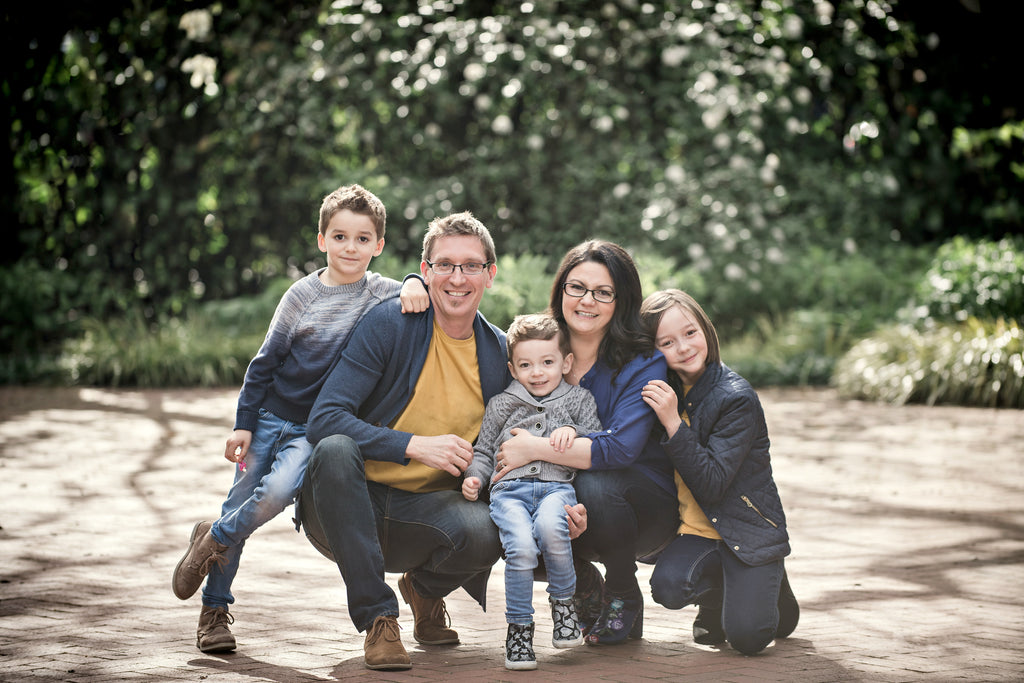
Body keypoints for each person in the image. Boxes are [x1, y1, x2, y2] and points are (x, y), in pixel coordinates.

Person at [296, 211, 587, 671]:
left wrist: (554, 500)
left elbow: (518, 447)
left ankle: (423, 590)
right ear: (426, 271)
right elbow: (324, 419)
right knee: (333, 449)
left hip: (428, 513)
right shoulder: (390, 324)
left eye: (471, 265)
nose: (457, 277)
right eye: (445, 265)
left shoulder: (499, 356)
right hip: (348, 506)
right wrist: (412, 444)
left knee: (491, 526)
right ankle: (379, 620)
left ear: (490, 275)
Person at [170, 184, 429, 653]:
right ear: (321, 240)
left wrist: (413, 279)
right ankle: (214, 611)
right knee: (242, 499)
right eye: (340, 237)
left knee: (277, 493)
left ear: (379, 246)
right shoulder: (301, 296)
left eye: (363, 239)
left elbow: (423, 288)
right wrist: (244, 423)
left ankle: (214, 536)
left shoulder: (381, 293)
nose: (351, 248)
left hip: (315, 427)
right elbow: (263, 364)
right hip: (270, 417)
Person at [493, 240, 680, 646]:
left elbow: (619, 449)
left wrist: (534, 449)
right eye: (576, 288)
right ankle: (585, 583)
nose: (587, 301)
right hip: (562, 493)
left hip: (640, 504)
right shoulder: (536, 349)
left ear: (621, 300)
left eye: (603, 292)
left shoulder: (642, 362)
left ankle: (622, 592)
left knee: (597, 484)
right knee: (511, 510)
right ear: (561, 291)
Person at [639, 288, 799, 655]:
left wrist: (673, 423)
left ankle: (775, 589)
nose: (683, 347)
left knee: (748, 638)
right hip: (699, 531)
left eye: (690, 333)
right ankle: (721, 594)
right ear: (653, 350)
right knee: (667, 588)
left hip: (745, 528)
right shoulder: (664, 391)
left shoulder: (735, 397)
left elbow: (712, 483)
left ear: (706, 330)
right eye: (667, 341)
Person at [462, 312, 602, 670]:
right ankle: (520, 630)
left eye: (547, 362)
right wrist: (475, 477)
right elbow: (483, 449)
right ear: (512, 368)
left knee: (552, 531)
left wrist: (575, 435)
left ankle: (564, 607)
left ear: (565, 362)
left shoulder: (579, 400)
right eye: (526, 364)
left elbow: (598, 438)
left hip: (557, 490)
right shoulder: (501, 404)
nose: (537, 372)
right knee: (521, 548)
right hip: (509, 492)